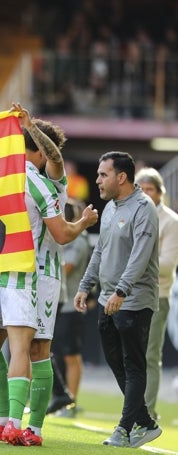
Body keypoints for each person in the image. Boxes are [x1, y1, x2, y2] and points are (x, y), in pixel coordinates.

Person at [0, 104, 98, 446]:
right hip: (13, 270)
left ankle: (33, 427)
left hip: (43, 274)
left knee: (37, 348)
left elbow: (53, 157)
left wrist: (32, 129)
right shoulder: (20, 176)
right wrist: (83, 223)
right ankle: (2, 419)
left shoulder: (52, 176)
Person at [75, 151, 161, 448]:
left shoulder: (143, 208)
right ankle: (146, 422)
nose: (97, 180)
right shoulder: (110, 207)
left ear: (121, 177)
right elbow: (100, 251)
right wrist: (86, 285)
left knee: (133, 365)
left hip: (133, 300)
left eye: (103, 175)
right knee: (116, 362)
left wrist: (121, 291)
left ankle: (124, 428)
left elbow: (140, 257)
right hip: (106, 300)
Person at [135, 167, 178, 422]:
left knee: (150, 354)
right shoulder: (130, 214)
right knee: (129, 355)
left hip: (157, 294)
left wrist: (136, 263)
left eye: (150, 189)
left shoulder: (171, 222)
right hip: (128, 293)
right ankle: (133, 408)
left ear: (160, 193)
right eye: (141, 189)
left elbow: (168, 264)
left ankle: (147, 410)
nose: (146, 194)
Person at [49, 198, 93, 417]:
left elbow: (66, 268)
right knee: (55, 353)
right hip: (58, 303)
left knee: (71, 355)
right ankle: (59, 397)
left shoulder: (78, 239)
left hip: (71, 305)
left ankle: (71, 402)